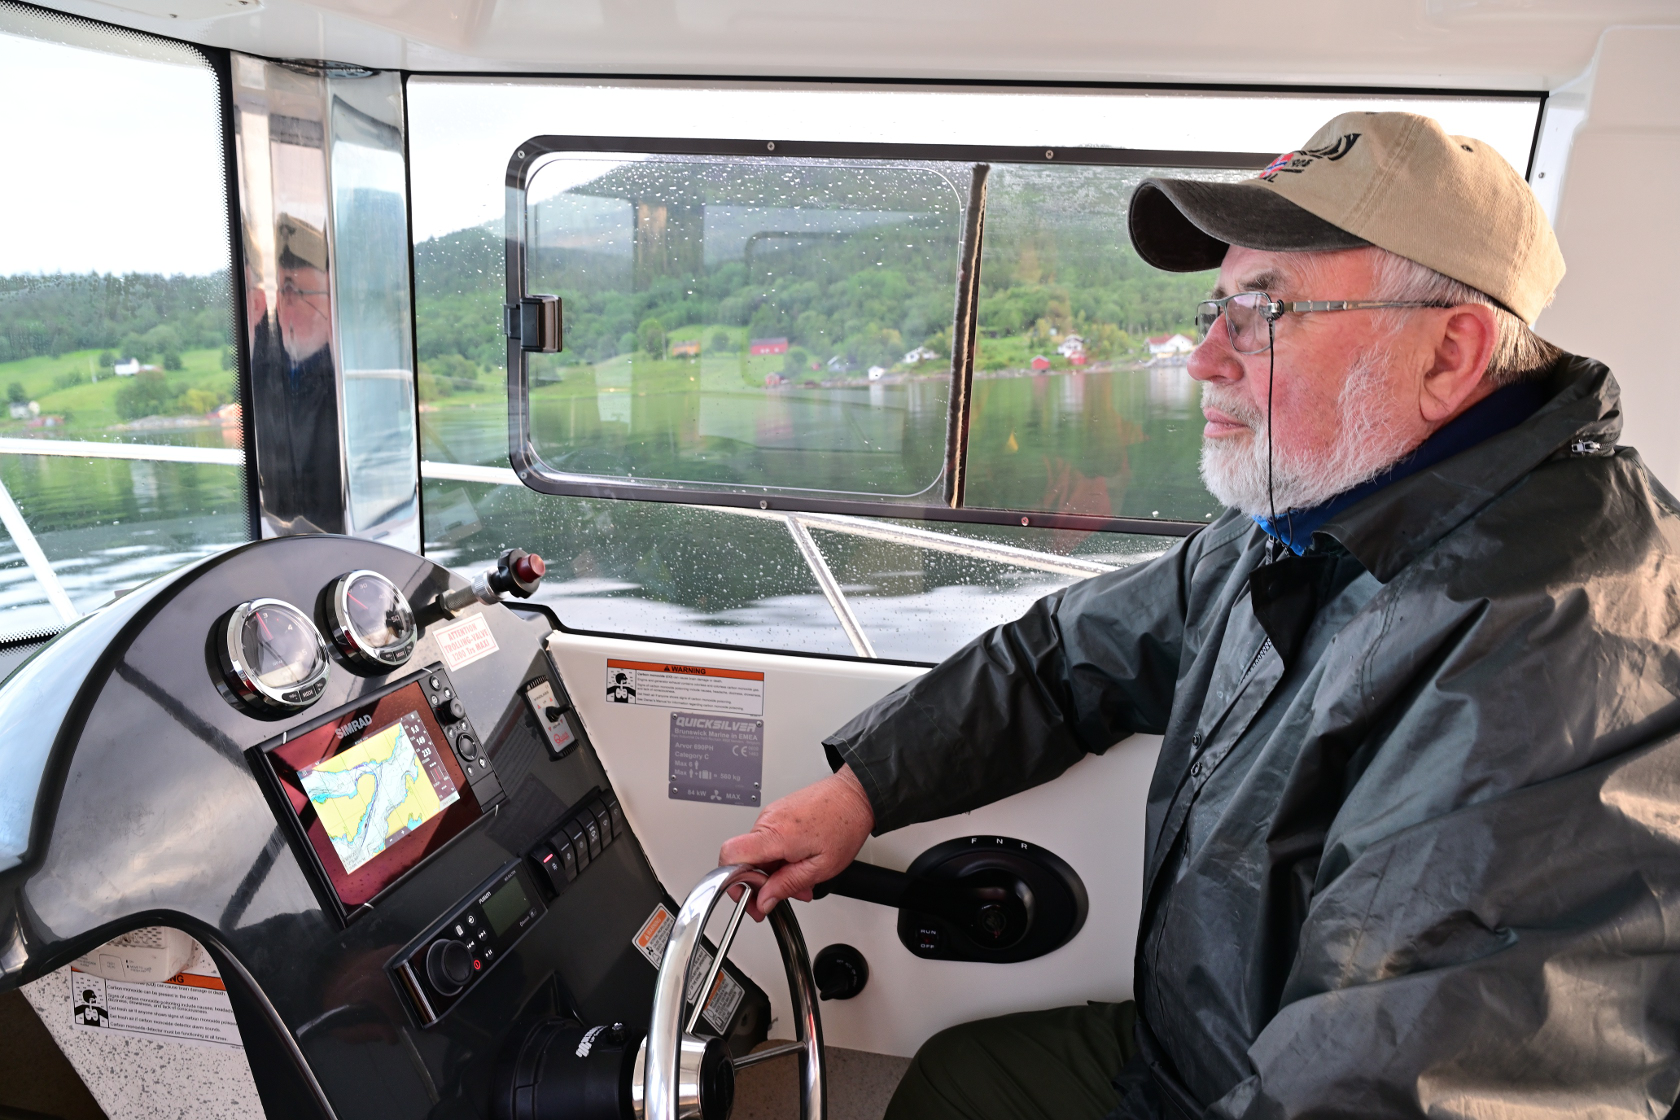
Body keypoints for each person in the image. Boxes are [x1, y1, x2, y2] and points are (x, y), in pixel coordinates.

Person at [719, 111, 1680, 1118]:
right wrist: (864, 787)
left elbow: (1397, 1087)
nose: (1203, 360)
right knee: (956, 1078)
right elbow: (1065, 656)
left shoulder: (1567, 659)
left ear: (1449, 355)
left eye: (1264, 314)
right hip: (1193, 1052)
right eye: (1216, 307)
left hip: (1269, 1086)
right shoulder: (1303, 521)